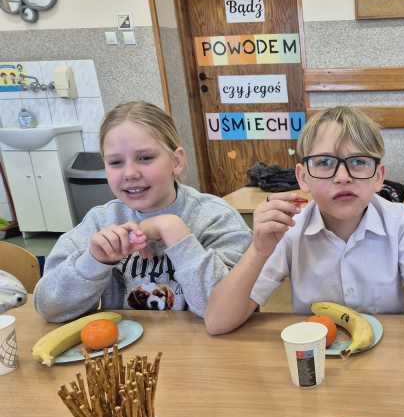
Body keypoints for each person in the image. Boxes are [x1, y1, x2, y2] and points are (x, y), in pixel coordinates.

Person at [204, 106, 404, 362]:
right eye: (324, 163)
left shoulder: (399, 221)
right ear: (303, 176)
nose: (343, 177)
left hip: (388, 364)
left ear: (379, 176)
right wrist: (258, 250)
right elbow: (218, 322)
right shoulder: (290, 228)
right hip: (315, 365)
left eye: (359, 162)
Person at [34, 101, 251, 322]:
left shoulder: (216, 219)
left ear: (176, 161)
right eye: (115, 162)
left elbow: (225, 311)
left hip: (202, 342)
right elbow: (49, 307)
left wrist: (172, 229)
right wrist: (94, 261)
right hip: (123, 343)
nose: (130, 173)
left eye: (145, 158)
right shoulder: (99, 222)